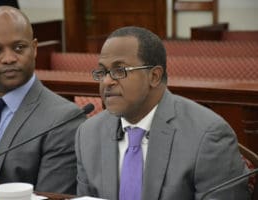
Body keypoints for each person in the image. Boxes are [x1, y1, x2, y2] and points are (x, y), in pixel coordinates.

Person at [75, 26, 250, 200]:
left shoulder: (207, 136)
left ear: (154, 76)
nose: (106, 81)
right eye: (102, 72)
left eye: (119, 71)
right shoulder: (89, 133)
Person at [0, 6, 86, 195]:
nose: (9, 58)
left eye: (19, 47)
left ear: (34, 49)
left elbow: (50, 197)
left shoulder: (64, 119)